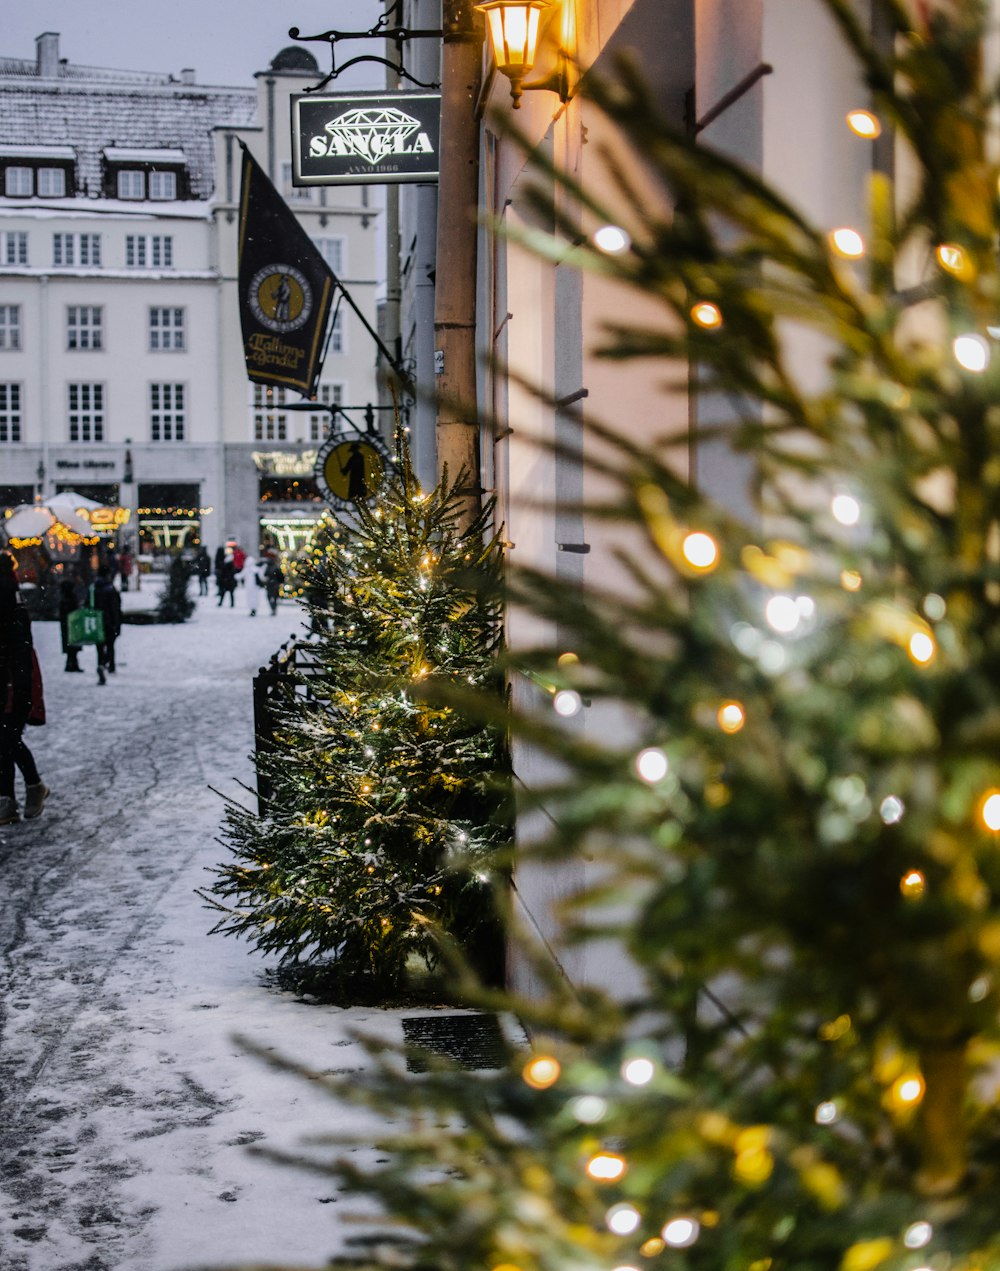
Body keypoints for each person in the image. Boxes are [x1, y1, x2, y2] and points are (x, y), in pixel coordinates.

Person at [0, 554, 49, 824]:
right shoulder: (10, 591)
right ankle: (10, 799)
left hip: (13, 679)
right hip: (12, 677)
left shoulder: (7, 593)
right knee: (6, 741)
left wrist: (19, 686)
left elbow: (18, 643)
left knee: (6, 740)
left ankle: (29, 789)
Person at [92, 565, 122, 685]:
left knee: (99, 646)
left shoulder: (93, 588)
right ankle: (110, 665)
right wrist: (117, 622)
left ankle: (101, 664)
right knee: (110, 645)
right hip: (109, 621)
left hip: (96, 621)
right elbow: (115, 607)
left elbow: (87, 604)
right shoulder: (110, 589)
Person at [58, 574, 84, 672]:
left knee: (70, 645)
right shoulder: (71, 599)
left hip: (67, 625)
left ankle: (71, 663)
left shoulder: (64, 599)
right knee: (73, 645)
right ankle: (72, 664)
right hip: (73, 625)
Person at [262, 551, 283, 615]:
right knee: (274, 597)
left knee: (270, 597)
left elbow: (265, 574)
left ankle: (273, 609)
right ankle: (274, 609)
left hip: (270, 584)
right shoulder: (275, 566)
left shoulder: (268, 566)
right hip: (274, 584)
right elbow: (280, 575)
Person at [243, 552, 261, 617]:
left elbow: (240, 575)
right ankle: (254, 610)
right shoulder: (256, 569)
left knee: (251, 598)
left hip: (249, 587)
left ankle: (252, 610)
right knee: (254, 598)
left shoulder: (247, 569)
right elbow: (261, 576)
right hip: (255, 587)